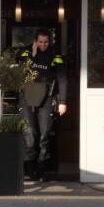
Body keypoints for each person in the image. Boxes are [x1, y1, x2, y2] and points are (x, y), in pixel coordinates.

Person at [18, 28, 67, 181]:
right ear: (35, 41)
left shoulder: (55, 55)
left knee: (45, 134)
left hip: (47, 98)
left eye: (46, 42)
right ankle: (29, 169)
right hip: (27, 97)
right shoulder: (25, 52)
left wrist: (62, 102)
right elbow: (21, 70)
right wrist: (33, 54)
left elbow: (62, 79)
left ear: (49, 42)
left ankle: (42, 170)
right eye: (40, 42)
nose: (43, 45)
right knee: (30, 133)